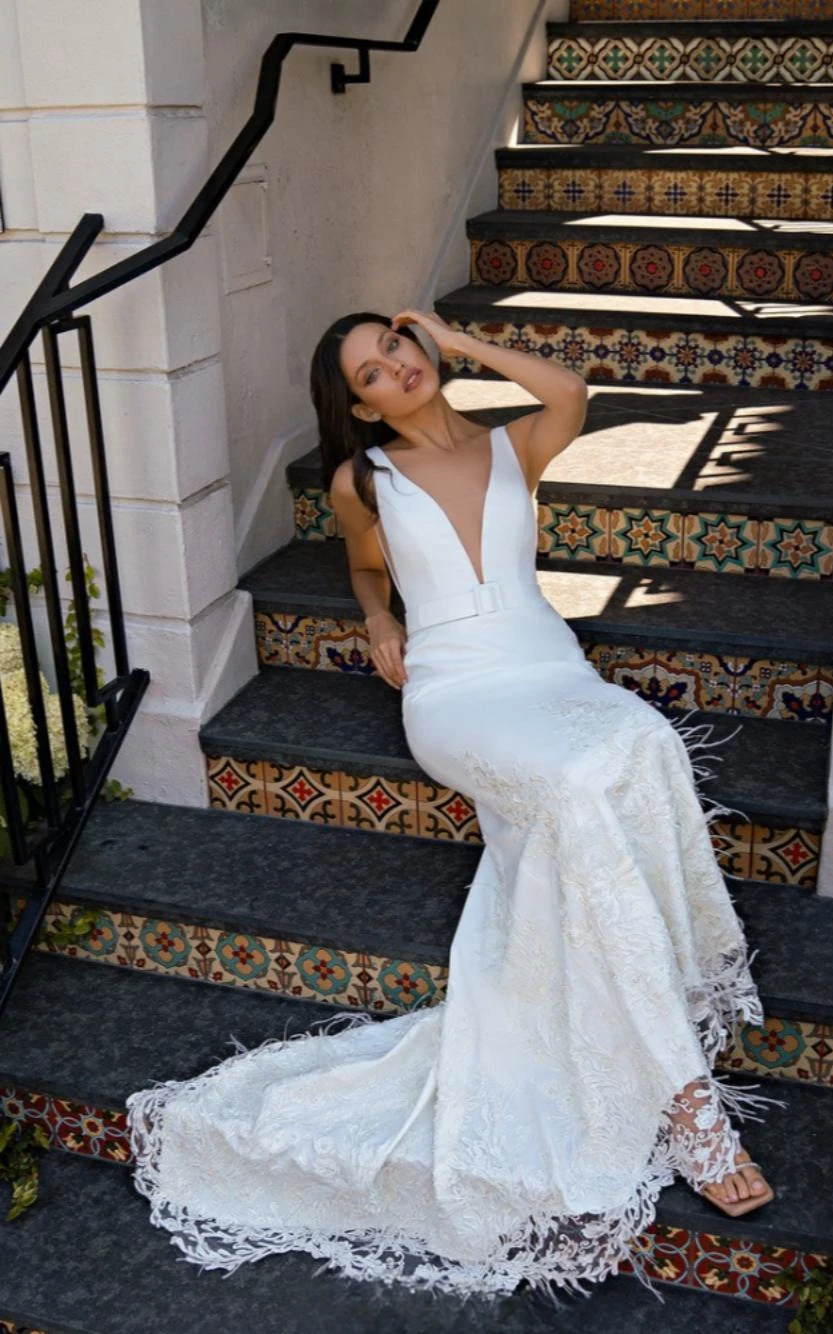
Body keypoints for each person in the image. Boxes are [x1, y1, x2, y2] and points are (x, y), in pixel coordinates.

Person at [125, 308, 783, 1307]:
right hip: (457, 694)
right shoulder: (362, 480)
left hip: (544, 665)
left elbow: (569, 391)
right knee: (569, 788)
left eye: (398, 347)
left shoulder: (513, 438)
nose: (395, 367)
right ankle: (690, 1106)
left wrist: (462, 342)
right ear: (358, 406)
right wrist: (382, 618)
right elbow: (362, 562)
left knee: (643, 741)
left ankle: (676, 974)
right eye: (372, 371)